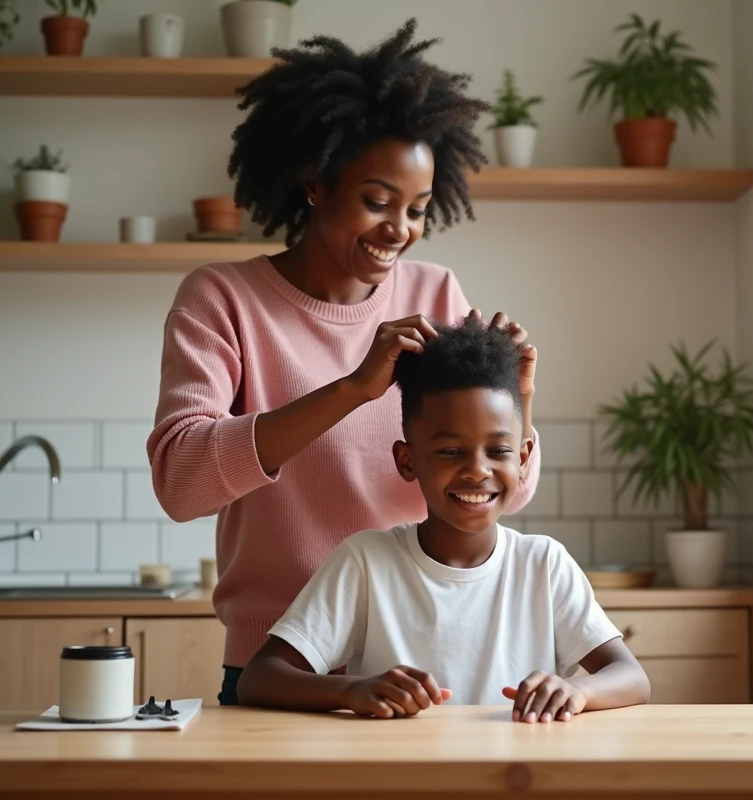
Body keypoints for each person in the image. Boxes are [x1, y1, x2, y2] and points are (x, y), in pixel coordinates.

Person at [146, 19, 542, 706]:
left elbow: (500, 490)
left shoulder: (434, 294)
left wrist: (522, 400)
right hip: (280, 669)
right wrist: (354, 388)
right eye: (377, 201)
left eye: (417, 209)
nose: (401, 230)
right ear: (314, 183)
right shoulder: (223, 299)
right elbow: (182, 484)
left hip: (416, 663)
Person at [238, 318, 649, 722]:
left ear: (523, 459)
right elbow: (258, 678)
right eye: (451, 452)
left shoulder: (544, 564)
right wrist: (353, 690)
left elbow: (632, 677)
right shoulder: (366, 562)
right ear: (407, 460)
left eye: (499, 451)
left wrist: (577, 690)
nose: (477, 470)